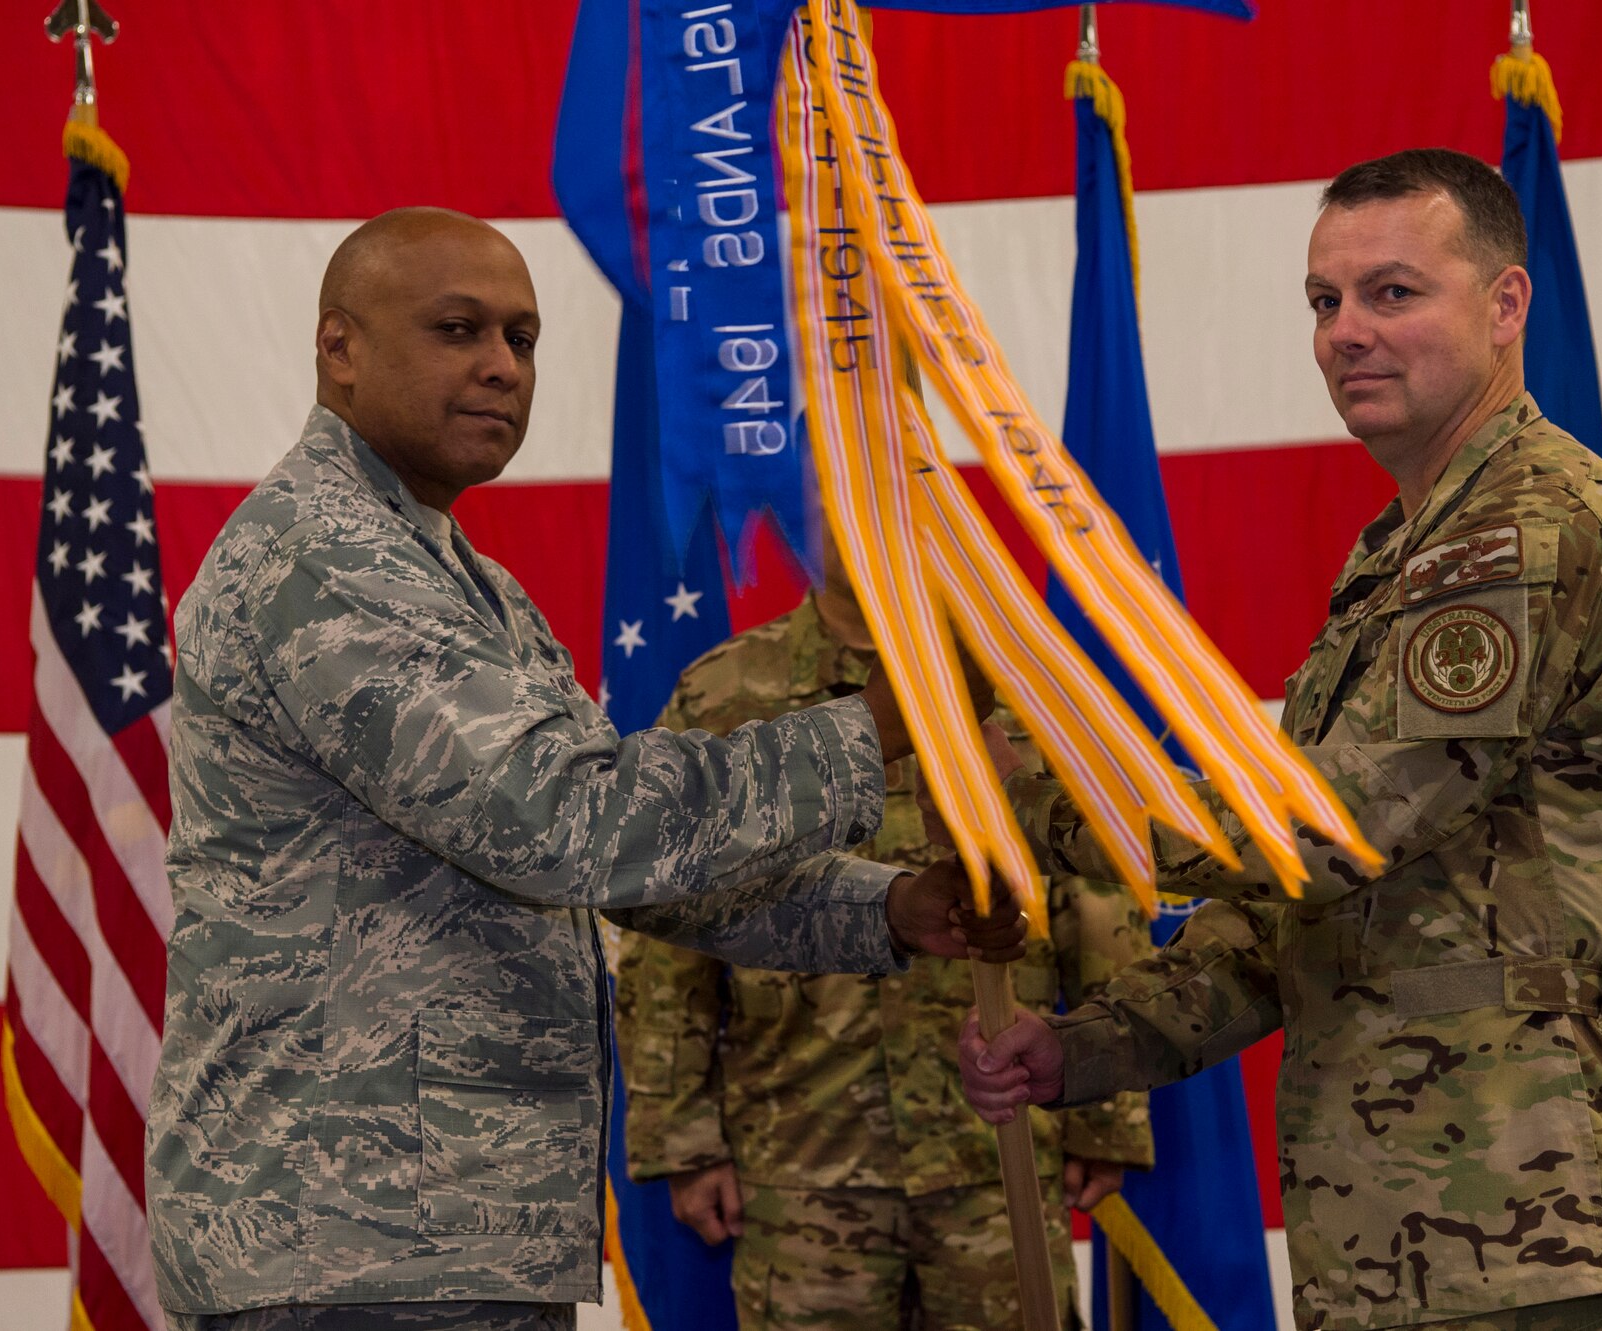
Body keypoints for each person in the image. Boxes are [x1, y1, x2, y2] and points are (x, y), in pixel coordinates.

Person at [146, 207, 1022, 1331]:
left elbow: (626, 865)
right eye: (458, 329)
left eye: (521, 337)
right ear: (340, 347)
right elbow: (569, 820)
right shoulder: (325, 556)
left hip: (430, 1240)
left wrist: (889, 908)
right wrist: (876, 727)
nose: (500, 367)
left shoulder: (458, 574)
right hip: (350, 1245)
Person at [956, 149, 1602, 1331]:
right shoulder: (1399, 556)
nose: (1344, 331)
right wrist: (1082, 1049)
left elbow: (1334, 821)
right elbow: (1286, 919)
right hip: (1396, 1241)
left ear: (1505, 305)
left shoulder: (1531, 528)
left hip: (1531, 1224)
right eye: (1324, 301)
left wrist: (1040, 794)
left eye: (1391, 292)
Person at [613, 535, 1154, 1331]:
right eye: (840, 478)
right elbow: (668, 933)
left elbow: (1100, 903)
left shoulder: (1016, 685)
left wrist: (1106, 1111)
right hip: (801, 1157)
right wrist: (684, 1140)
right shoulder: (726, 692)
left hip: (995, 1156)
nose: (862, 511)